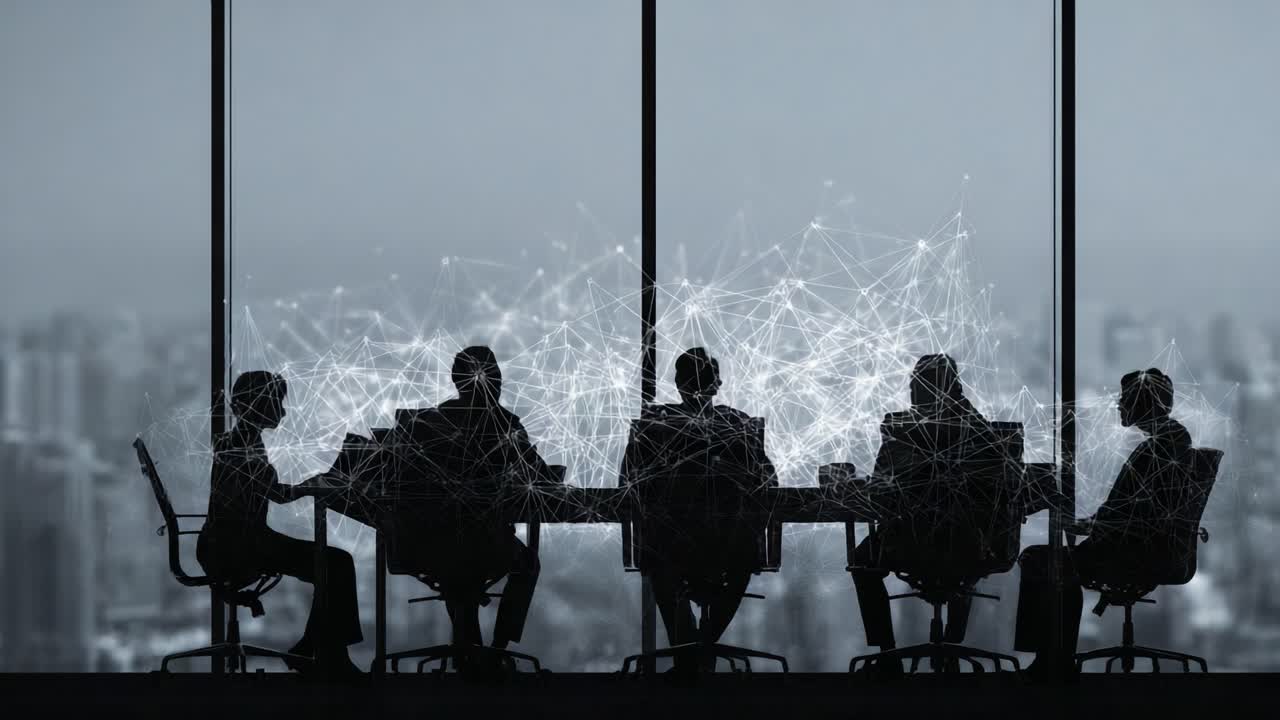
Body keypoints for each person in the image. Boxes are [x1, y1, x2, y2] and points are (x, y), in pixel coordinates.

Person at [1013, 368, 1192, 680]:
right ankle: (1054, 656)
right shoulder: (1169, 442)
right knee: (1054, 563)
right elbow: (1138, 508)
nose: (1119, 405)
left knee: (1039, 560)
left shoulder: (1158, 448)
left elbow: (1138, 512)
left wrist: (1093, 526)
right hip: (1142, 546)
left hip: (1132, 551)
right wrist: (1092, 524)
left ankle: (1052, 659)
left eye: (1125, 398)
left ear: (1143, 403)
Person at [621, 347, 780, 673]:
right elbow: (767, 480)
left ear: (678, 383)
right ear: (717, 384)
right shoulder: (736, 424)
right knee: (740, 563)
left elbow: (629, 480)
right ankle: (702, 647)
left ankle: (689, 656)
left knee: (662, 564)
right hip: (726, 544)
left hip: (673, 542)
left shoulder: (656, 423)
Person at [196, 371, 363, 676]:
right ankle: (322, 652)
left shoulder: (237, 441)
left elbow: (267, 490)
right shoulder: (243, 446)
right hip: (241, 547)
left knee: (332, 565)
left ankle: (316, 650)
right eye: (277, 403)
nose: (283, 412)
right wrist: (314, 485)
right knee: (335, 565)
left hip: (233, 542)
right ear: (258, 404)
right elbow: (277, 494)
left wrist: (310, 485)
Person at [849, 353, 995, 674]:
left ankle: (888, 654)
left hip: (906, 543)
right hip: (968, 545)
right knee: (967, 561)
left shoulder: (902, 430)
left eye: (916, 386)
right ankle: (951, 647)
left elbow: (880, 489)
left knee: (863, 562)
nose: (913, 392)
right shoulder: (983, 432)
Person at [427, 346, 549, 661]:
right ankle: (496, 649)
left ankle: (472, 652)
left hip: (427, 543)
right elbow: (539, 475)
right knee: (526, 563)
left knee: (457, 569)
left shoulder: (430, 423)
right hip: (487, 543)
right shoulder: (504, 424)